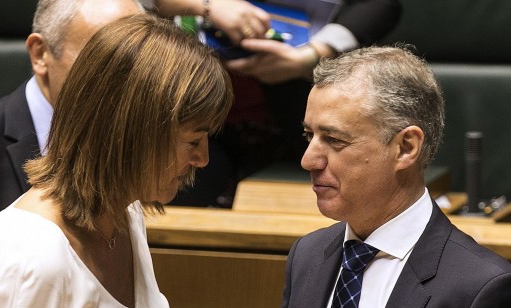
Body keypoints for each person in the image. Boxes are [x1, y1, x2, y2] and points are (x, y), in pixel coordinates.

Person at [0, 0, 268, 308]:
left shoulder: (126, 214)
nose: (202, 160)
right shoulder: (29, 255)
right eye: (192, 142)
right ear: (132, 130)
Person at [278, 46, 511, 308]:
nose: (308, 160)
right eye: (309, 135)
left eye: (334, 139)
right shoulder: (308, 256)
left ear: (406, 148)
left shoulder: (484, 290)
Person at [172, 0, 403, 207]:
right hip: (192, 112)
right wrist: (206, 5)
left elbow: (382, 5)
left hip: (297, 118)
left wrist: (313, 56)